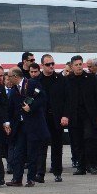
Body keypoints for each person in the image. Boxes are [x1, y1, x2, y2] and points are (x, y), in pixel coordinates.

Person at [6, 67, 51, 187]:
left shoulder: (32, 84)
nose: (8, 79)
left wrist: (31, 107)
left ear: (15, 76)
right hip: (20, 126)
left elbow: (43, 99)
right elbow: (10, 108)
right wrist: (8, 123)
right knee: (18, 153)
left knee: (32, 153)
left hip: (33, 125)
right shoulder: (13, 90)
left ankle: (31, 179)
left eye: (9, 77)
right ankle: (17, 178)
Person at [61, 55, 97, 175]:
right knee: (77, 141)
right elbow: (64, 99)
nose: (79, 67)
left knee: (89, 138)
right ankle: (81, 166)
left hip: (89, 115)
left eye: (80, 64)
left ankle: (93, 165)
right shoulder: (67, 80)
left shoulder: (90, 78)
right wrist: (65, 115)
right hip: (74, 115)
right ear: (72, 66)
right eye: (76, 65)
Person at [38, 54, 66, 182]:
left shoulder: (60, 79)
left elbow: (67, 99)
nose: (51, 66)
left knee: (57, 146)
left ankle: (57, 171)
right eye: (48, 64)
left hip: (57, 117)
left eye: (52, 64)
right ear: (42, 65)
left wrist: (65, 115)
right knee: (41, 146)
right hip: (41, 118)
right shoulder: (37, 80)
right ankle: (40, 173)